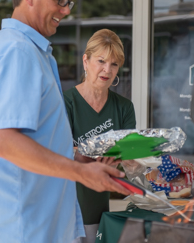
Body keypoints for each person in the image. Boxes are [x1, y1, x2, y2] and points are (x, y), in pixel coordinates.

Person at [0, 0, 133, 243]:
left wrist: (77, 159)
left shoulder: (26, 49)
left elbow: (35, 136)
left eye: (69, 2)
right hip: (21, 226)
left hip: (28, 223)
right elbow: (4, 141)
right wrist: (81, 173)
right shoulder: (17, 51)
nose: (66, 10)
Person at [64, 29, 136, 243]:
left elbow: (131, 159)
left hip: (101, 210)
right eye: (101, 61)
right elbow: (58, 151)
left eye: (114, 64)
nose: (107, 69)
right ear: (86, 61)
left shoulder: (124, 107)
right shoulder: (65, 102)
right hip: (67, 211)